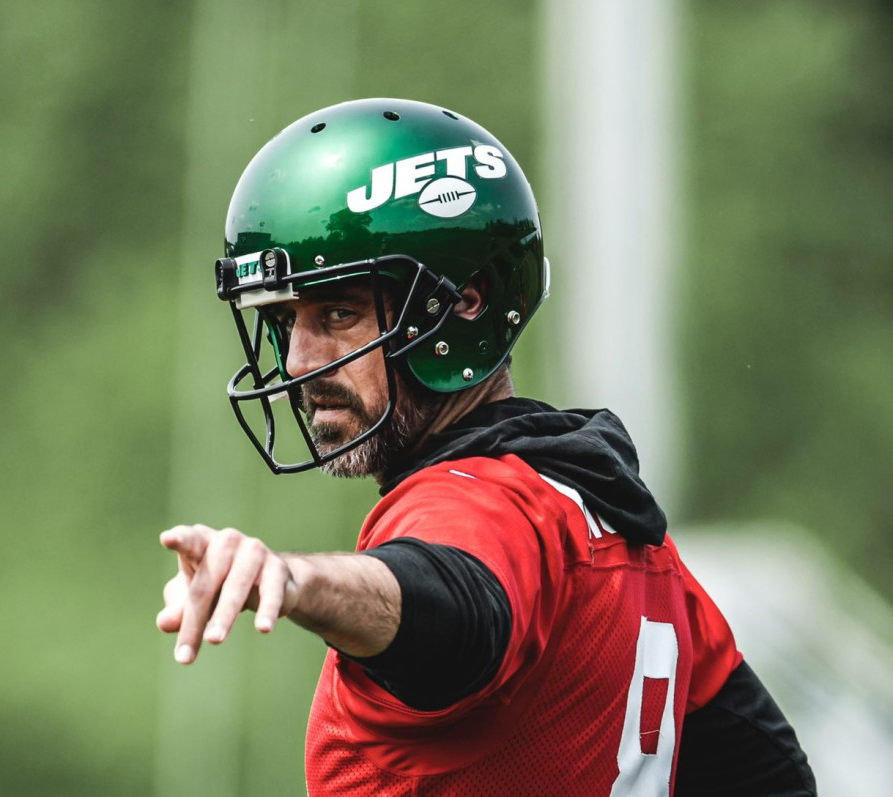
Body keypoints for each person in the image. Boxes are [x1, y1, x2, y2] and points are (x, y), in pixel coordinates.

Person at [156, 98, 816, 796]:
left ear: (463, 304)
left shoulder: (471, 504)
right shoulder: (627, 538)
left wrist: (300, 581)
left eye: (339, 312)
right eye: (286, 320)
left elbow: (453, 607)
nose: (296, 360)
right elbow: (771, 776)